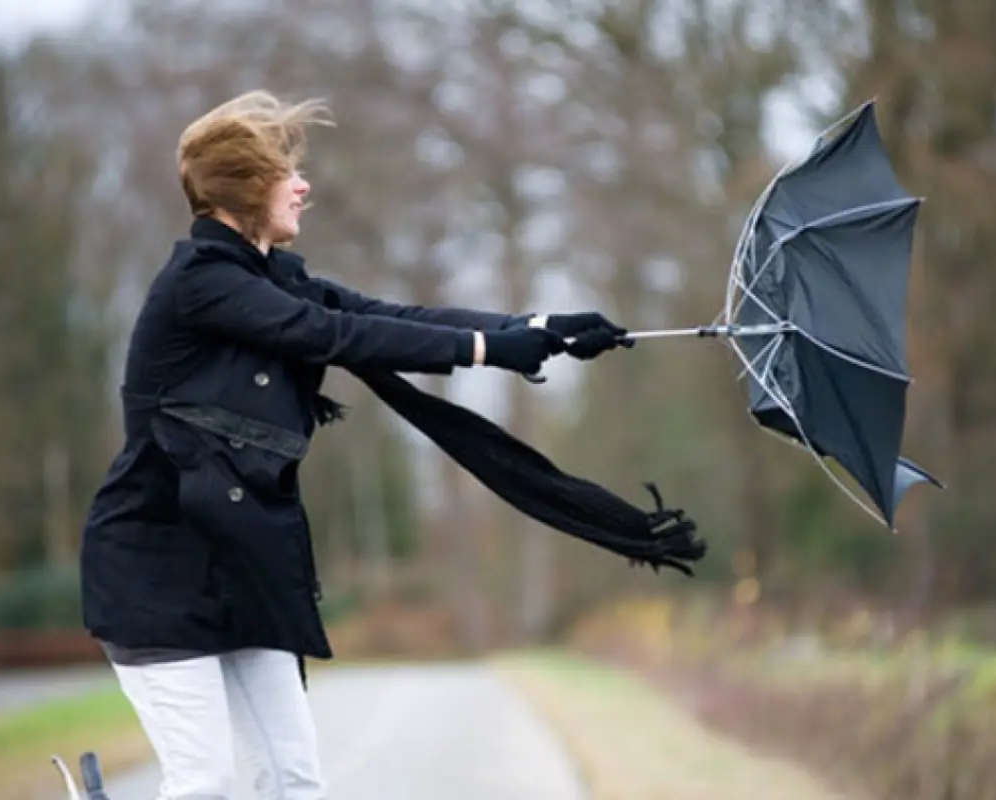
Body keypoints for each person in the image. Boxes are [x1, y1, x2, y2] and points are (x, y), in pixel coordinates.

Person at [78, 90, 627, 799]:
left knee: (294, 779)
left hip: (244, 562)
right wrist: (488, 350)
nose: (303, 186)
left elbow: (387, 314)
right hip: (156, 568)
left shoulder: (276, 277)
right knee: (204, 782)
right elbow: (333, 335)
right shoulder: (200, 284)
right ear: (244, 187)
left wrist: (539, 326)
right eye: (285, 173)